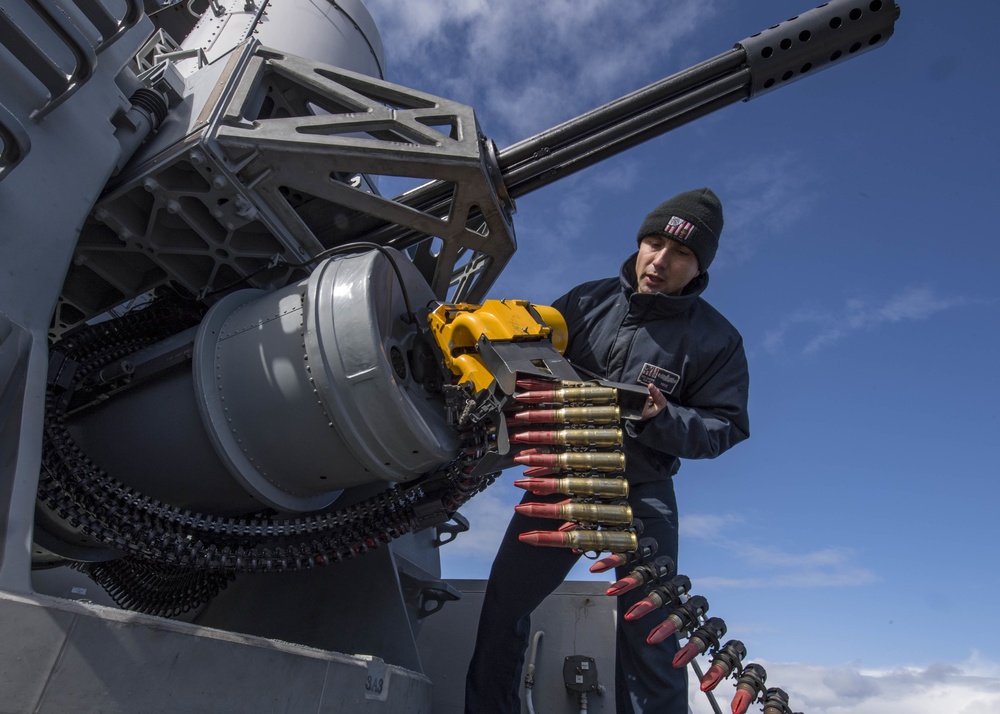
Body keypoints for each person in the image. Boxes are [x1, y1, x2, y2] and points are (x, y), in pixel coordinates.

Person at [464, 188, 751, 714]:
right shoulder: (584, 301)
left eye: (681, 253)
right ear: (640, 242)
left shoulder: (718, 340)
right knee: (503, 609)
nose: (660, 261)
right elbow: (531, 372)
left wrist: (662, 418)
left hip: (644, 495)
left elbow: (725, 427)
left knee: (652, 643)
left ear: (699, 266)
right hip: (564, 480)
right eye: (654, 242)